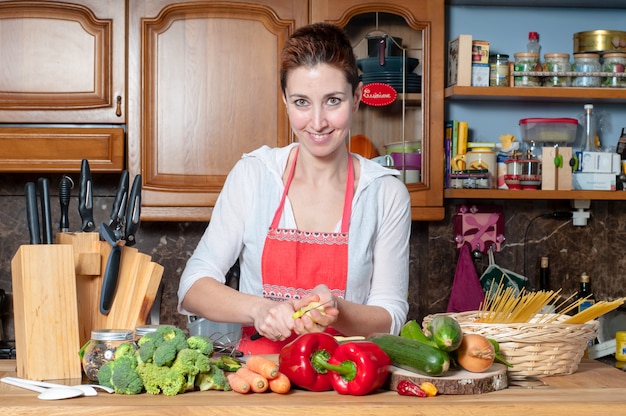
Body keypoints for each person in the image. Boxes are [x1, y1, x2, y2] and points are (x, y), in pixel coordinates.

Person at [177, 22, 411, 354]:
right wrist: (259, 308)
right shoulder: (254, 176)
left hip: (348, 383)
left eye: (333, 101)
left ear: (357, 98)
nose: (317, 122)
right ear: (285, 100)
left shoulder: (384, 193)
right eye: (302, 102)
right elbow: (192, 287)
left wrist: (337, 310)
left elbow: (391, 316)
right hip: (261, 380)